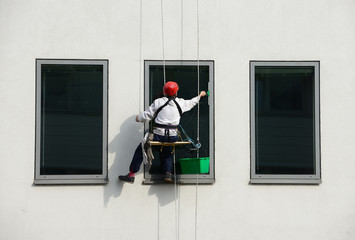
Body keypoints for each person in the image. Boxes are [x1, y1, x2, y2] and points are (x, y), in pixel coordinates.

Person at [119, 81, 207, 183]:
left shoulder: (158, 102)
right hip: (173, 136)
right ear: (176, 92)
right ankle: (168, 173)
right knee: (167, 149)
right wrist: (200, 95)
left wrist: (138, 118)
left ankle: (131, 174)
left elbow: (147, 115)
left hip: (159, 135)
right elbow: (192, 102)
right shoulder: (181, 102)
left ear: (164, 92)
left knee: (141, 148)